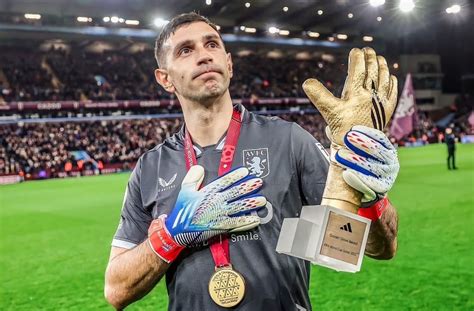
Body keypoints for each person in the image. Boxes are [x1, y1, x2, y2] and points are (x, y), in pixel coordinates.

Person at [104, 12, 399, 310]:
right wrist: (173, 235)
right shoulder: (151, 168)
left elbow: (363, 247)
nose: (204, 56)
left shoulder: (287, 140)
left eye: (212, 44)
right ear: (165, 78)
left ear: (229, 64)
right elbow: (116, 290)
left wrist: (369, 196)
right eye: (186, 50)